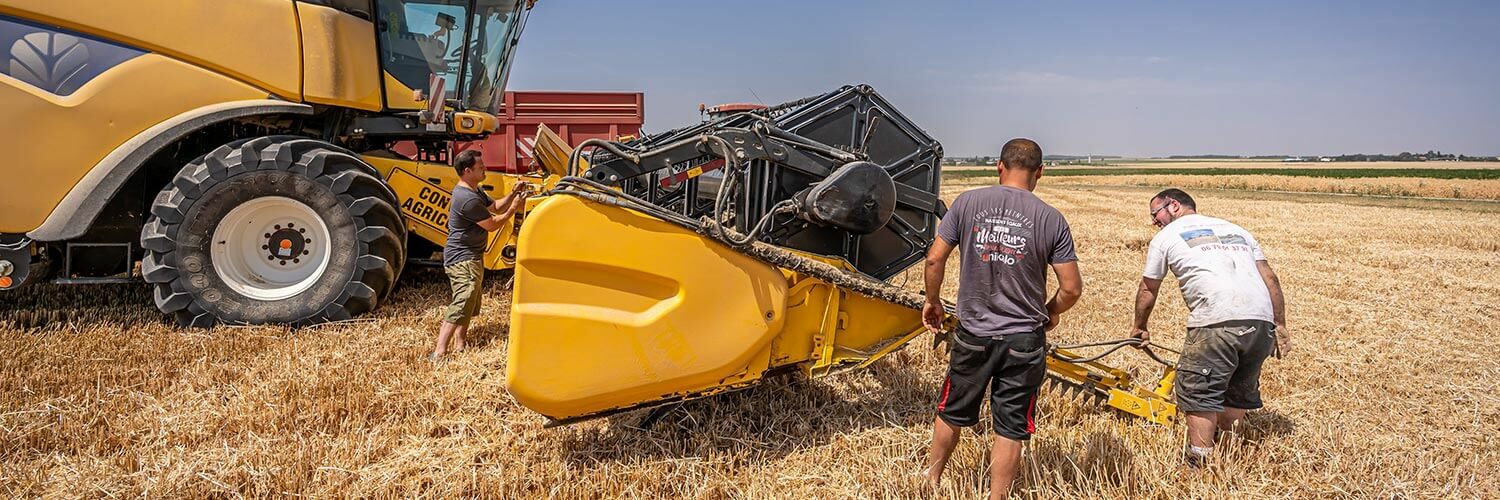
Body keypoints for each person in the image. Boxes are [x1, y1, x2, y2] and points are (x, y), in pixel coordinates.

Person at [921, 138, 1084, 498]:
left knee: (952, 409)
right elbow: (1071, 288)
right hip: (1024, 339)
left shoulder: (967, 203)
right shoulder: (1051, 218)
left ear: (999, 166)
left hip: (973, 333)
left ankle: (930, 482)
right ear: (1039, 172)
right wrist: (1051, 313)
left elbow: (935, 259)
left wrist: (932, 301)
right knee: (1011, 426)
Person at [1129, 188, 1290, 466]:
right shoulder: (1237, 230)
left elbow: (1148, 287)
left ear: (1174, 206)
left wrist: (1139, 326)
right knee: (1236, 392)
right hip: (1261, 324)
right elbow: (1270, 278)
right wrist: (1280, 324)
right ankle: (1228, 458)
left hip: (1216, 321)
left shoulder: (1166, 236)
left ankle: (1198, 464)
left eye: (1156, 214)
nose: (1154, 221)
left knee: (1199, 393)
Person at [433, 149, 530, 360]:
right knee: (464, 296)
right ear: (467, 170)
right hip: (461, 257)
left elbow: (495, 206)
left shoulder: (474, 190)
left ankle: (460, 344)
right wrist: (513, 209)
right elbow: (492, 224)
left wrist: (512, 193)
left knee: (471, 300)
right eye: (480, 167)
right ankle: (439, 350)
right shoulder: (466, 198)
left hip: (472, 254)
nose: (485, 168)